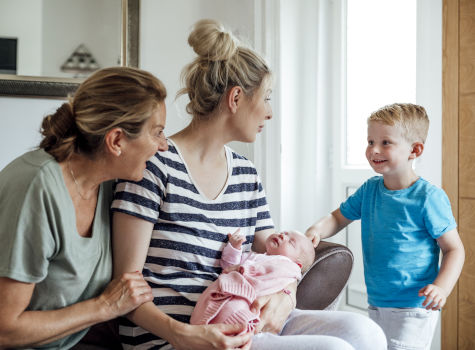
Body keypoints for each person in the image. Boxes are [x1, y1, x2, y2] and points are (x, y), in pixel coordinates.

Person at [112, 19, 387, 350]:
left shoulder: (246, 173)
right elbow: (123, 285)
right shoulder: (153, 166)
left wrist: (286, 294)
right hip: (174, 338)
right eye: (267, 98)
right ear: (236, 98)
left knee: (366, 333)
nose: (270, 112)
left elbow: (277, 255)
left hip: (245, 321)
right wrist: (183, 335)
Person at [0, 66, 169, 349]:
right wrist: (104, 306)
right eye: (157, 133)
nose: (163, 146)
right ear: (116, 141)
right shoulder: (37, 188)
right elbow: (4, 330)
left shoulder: (110, 184)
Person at [305, 103, 465, 350]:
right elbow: (338, 218)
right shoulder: (370, 190)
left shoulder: (428, 197)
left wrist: (442, 288)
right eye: (370, 141)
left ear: (415, 150)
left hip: (413, 306)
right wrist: (316, 230)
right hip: (377, 301)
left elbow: (454, 249)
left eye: (385, 143)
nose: (373, 150)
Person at [190, 229, 316, 332]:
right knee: (214, 307)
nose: (283, 236)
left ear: (297, 264)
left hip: (250, 304)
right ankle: (204, 325)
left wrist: (245, 269)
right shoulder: (255, 256)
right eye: (284, 232)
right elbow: (228, 267)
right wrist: (234, 248)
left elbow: (268, 271)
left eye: (291, 242)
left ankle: (234, 330)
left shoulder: (288, 266)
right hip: (229, 293)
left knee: (235, 311)